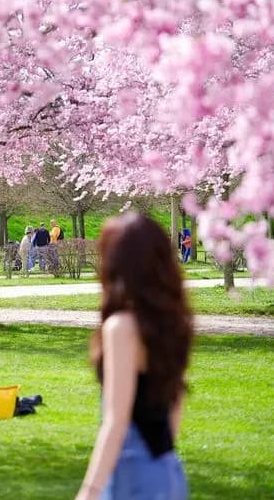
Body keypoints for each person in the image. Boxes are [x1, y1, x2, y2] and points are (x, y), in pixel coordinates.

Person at [75, 212, 192, 500]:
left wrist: (88, 492)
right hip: (167, 469)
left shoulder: (122, 327)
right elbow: (175, 404)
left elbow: (117, 420)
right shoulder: (172, 322)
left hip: (132, 473)